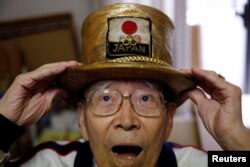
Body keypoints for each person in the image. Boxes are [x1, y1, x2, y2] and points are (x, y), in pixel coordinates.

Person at [0, 3, 249, 167]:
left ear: (169, 120)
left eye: (145, 98)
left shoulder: (197, 162)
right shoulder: (50, 162)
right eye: (106, 98)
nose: (127, 120)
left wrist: (236, 140)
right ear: (83, 120)